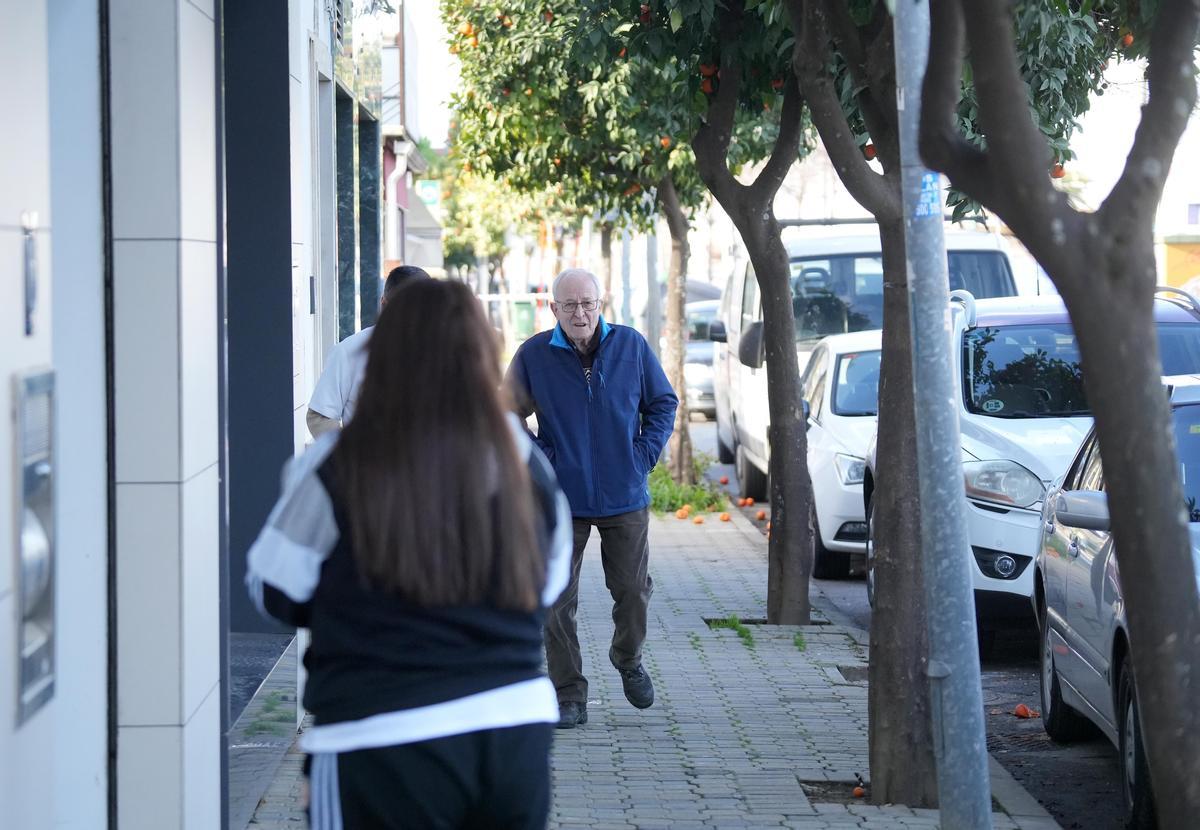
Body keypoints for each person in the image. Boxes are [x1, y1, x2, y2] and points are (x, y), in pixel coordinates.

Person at [246, 279, 572, 828]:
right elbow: (550, 581)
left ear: (382, 354)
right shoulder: (523, 461)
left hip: (375, 741)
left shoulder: (338, 463)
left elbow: (275, 590)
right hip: (511, 731)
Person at [505, 268, 677, 729]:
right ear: (553, 308)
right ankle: (569, 694)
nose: (580, 313)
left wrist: (642, 455)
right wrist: (544, 462)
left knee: (634, 592)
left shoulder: (632, 346)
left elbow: (663, 403)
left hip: (626, 494)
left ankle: (628, 657)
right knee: (556, 600)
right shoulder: (534, 356)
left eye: (588, 303)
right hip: (561, 501)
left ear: (601, 304)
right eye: (570, 305)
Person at [306, 264, 430, 437]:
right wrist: (347, 456)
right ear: (384, 304)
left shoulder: (441, 356)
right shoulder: (348, 352)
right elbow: (319, 416)